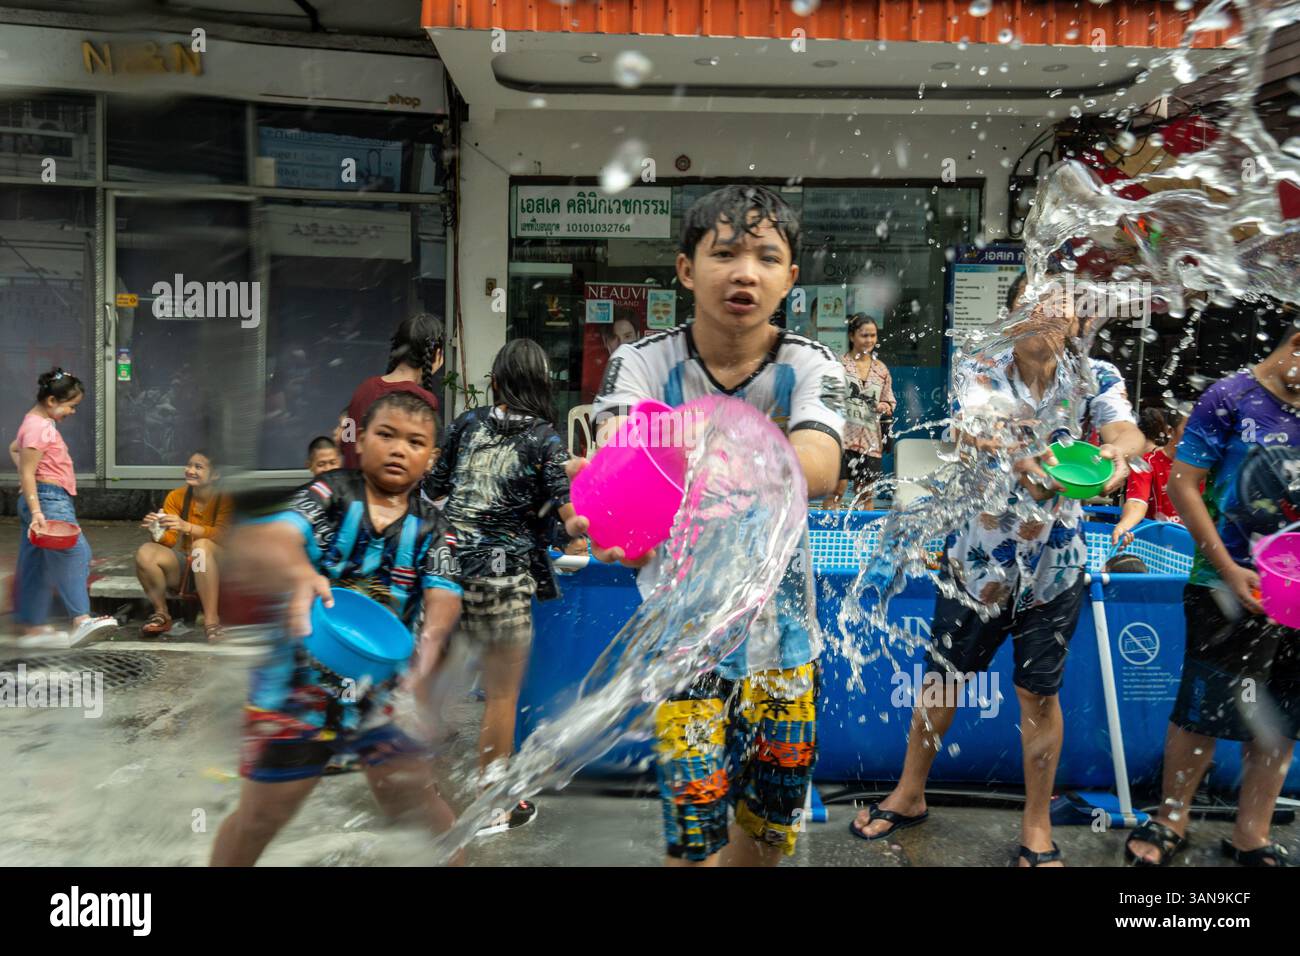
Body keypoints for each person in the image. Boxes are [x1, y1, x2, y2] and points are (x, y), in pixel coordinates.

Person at [580, 184, 846, 866]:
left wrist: (705, 446)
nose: (744, 273)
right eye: (723, 253)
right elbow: (618, 452)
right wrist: (607, 505)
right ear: (685, 269)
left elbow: (819, 465)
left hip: (785, 648)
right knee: (693, 843)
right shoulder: (643, 362)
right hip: (686, 647)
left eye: (765, 256)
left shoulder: (811, 364)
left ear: (790, 277)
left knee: (764, 839)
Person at [850, 275, 1145, 867]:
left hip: (1054, 567)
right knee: (941, 680)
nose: (1048, 316)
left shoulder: (1096, 375)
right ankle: (909, 794)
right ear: (1013, 315)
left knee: (1039, 695)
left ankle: (1036, 826)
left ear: (1076, 319)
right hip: (976, 559)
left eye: (1061, 306)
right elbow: (970, 427)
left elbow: (1125, 432)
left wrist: (1117, 455)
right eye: (1034, 305)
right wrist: (1012, 451)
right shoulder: (981, 366)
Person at [210, 391, 462, 866]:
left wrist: (430, 644)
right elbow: (282, 535)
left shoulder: (434, 528)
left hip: (383, 693)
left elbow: (444, 596)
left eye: (415, 442)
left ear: (431, 459)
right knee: (263, 816)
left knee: (423, 811)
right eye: (385, 435)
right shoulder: (329, 495)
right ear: (360, 441)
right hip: (299, 689)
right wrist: (300, 572)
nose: (398, 449)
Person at [1125, 320, 1300, 867]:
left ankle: (1252, 831)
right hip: (1221, 583)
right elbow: (1182, 483)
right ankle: (1170, 817)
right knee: (1201, 710)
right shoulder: (1230, 398)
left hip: (1293, 586)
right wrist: (1227, 568)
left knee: (1282, 713)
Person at [424, 338, 582, 834]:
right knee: (499, 697)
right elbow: (573, 524)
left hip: (445, 574)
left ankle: (420, 793)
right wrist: (591, 484)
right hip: (502, 578)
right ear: (542, 384)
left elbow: (433, 491)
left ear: (496, 381)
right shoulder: (545, 441)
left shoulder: (465, 424)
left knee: (435, 687)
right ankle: (494, 804)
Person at [9, 368, 117, 648]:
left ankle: (30, 626)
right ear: (51, 401)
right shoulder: (40, 427)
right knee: (74, 552)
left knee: (37, 564)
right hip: (48, 499)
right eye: (71, 406)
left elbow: (14, 449)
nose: (72, 412)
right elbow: (28, 473)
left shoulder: (32, 423)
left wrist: (32, 502)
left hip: (40, 498)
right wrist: (37, 512)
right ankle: (81, 620)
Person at [134, 451, 233, 642]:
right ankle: (161, 614)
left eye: (198, 467)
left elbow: (225, 536)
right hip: (191, 567)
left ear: (215, 475)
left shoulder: (227, 498)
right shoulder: (176, 496)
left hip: (221, 569)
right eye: (189, 465)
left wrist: (187, 526)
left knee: (201, 547)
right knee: (146, 552)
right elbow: (169, 541)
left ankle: (211, 620)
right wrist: (157, 530)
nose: (190, 471)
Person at [340, 313, 444, 469]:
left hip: (351, 483)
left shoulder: (365, 387)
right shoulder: (423, 399)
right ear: (436, 354)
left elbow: (347, 441)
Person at [822, 314, 895, 510]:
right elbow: (826, 398)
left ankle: (865, 539)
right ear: (852, 336)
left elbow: (889, 400)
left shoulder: (881, 369)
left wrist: (885, 407)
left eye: (873, 335)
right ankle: (830, 537)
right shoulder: (838, 365)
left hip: (870, 439)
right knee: (837, 489)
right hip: (842, 438)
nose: (869, 340)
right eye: (864, 335)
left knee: (865, 494)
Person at [1111, 406, 1188, 549]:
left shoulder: (1205, 468)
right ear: (1170, 431)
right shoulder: (1146, 463)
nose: (1197, 436)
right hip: (1156, 547)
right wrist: (1124, 526)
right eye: (1188, 429)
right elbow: (1136, 503)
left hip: (1192, 547)